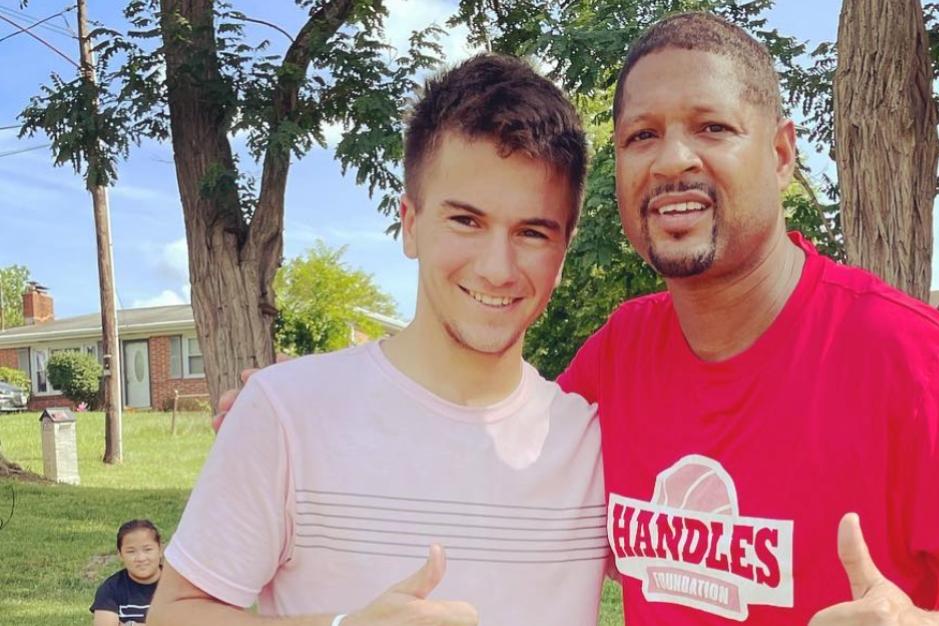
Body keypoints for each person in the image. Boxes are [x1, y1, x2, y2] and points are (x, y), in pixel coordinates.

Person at [216, 12, 939, 625]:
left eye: (711, 126)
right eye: (640, 136)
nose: (672, 159)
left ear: (780, 152)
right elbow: (482, 423)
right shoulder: (619, 357)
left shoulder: (910, 357)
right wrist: (303, 405)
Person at [148, 54, 605, 626]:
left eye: (533, 232)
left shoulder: (594, 446)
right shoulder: (287, 411)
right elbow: (175, 614)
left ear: (563, 252)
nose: (497, 267)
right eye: (465, 220)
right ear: (410, 224)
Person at [91, 519, 163, 626]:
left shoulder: (179, 583)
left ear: (160, 550)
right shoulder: (111, 589)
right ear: (120, 555)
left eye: (148, 549)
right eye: (131, 551)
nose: (141, 558)